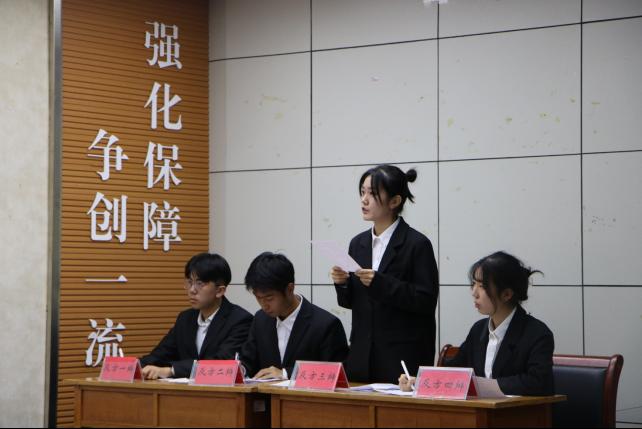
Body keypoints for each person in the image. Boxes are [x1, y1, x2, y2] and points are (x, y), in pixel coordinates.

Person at [332, 164, 439, 383]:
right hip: (362, 356)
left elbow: (426, 300)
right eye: (362, 192)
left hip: (402, 359)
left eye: (372, 194)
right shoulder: (358, 243)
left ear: (394, 201)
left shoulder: (417, 244)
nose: (364, 200)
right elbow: (351, 302)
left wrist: (380, 283)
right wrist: (342, 283)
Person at [399, 251, 554, 396]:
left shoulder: (537, 333)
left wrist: (480, 386)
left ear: (506, 294)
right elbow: (454, 370)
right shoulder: (478, 329)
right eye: (474, 284)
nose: (474, 293)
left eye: (482, 286)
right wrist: (419, 382)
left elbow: (537, 382)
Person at [140, 253, 253, 379]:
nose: (192, 290)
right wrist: (135, 367)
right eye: (189, 282)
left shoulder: (240, 320)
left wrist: (172, 370)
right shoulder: (185, 318)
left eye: (200, 283)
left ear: (220, 291)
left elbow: (221, 363)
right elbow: (160, 354)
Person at [240, 252, 349, 380]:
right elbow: (248, 361)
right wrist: (240, 370)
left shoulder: (326, 324)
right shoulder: (260, 319)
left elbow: (334, 372)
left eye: (269, 298)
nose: (264, 305)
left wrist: (286, 373)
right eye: (258, 298)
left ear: (289, 289)